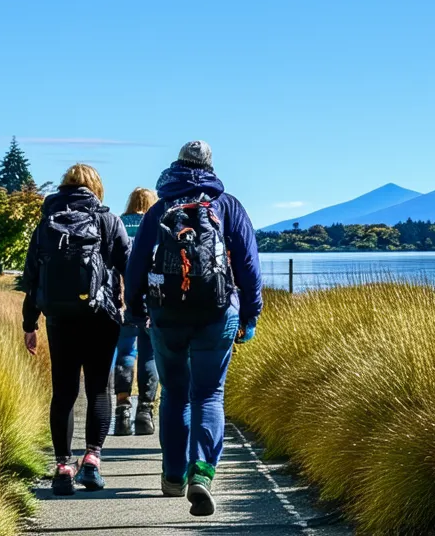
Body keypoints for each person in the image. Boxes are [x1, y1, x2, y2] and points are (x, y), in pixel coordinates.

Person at [125, 141, 262, 517]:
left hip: (166, 315)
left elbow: (136, 264)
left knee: (174, 394)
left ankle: (171, 476)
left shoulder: (160, 208)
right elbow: (248, 265)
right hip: (218, 313)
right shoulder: (227, 205)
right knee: (208, 394)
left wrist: (136, 308)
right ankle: (200, 472)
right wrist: (250, 315)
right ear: (211, 167)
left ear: (177, 165)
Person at [22, 164, 129, 496]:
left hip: (59, 318)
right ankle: (93, 461)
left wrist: (30, 324)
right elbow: (129, 264)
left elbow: (32, 280)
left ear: (64, 187)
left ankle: (63, 467)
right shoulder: (108, 220)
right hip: (102, 316)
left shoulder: (45, 225)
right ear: (96, 188)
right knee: (99, 388)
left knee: (64, 390)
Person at [113, 187, 160, 436]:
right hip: (150, 299)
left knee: (125, 351)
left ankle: (122, 411)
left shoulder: (119, 223)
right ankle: (145, 410)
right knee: (149, 353)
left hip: (121, 298)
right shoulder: (156, 224)